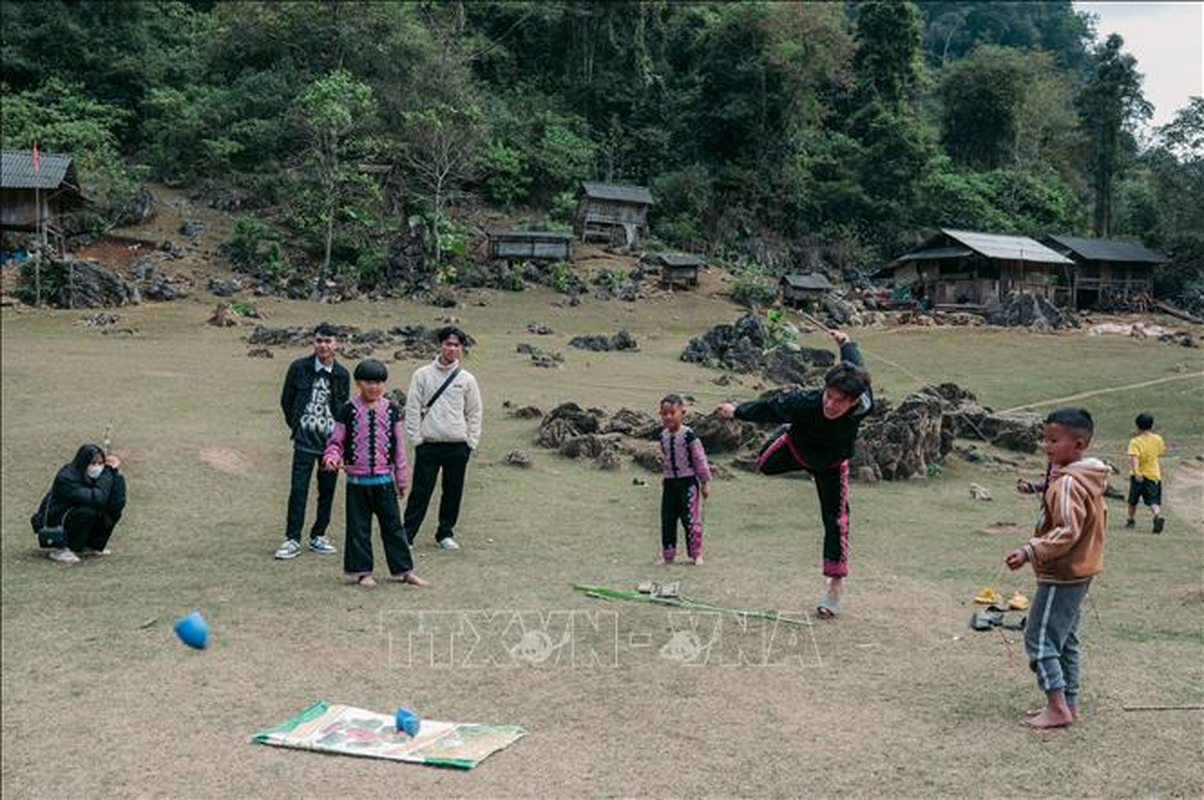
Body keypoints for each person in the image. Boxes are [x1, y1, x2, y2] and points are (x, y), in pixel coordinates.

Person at [716, 329, 872, 619]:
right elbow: (769, 407)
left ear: (853, 402)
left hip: (832, 466)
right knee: (763, 464)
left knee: (836, 521)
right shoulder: (805, 402)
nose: (830, 404)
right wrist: (736, 410)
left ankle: (834, 587)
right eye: (829, 396)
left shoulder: (864, 406)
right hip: (796, 449)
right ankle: (790, 434)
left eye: (839, 401)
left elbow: (857, 365)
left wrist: (847, 343)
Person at [1004, 408, 1109, 729]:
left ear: (1078, 445)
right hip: (1079, 571)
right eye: (1045, 439)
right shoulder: (1084, 477)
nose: (1046, 446)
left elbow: (1067, 530)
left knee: (1038, 637)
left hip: (1062, 573)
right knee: (1065, 639)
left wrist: (1029, 550)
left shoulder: (1067, 484)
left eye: (1054, 440)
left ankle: (1057, 706)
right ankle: (1069, 703)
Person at [323, 360, 428, 589]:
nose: (375, 387)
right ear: (359, 383)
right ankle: (363, 573)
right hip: (357, 482)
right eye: (369, 382)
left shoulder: (392, 410)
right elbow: (335, 442)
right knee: (358, 528)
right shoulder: (347, 410)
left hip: (384, 482)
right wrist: (331, 457)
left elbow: (399, 448)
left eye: (379, 382)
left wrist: (401, 479)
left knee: (394, 528)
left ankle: (404, 571)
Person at [403, 326, 482, 551]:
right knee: (420, 492)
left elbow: (474, 413)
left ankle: (445, 533)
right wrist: (416, 439)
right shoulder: (422, 375)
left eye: (456, 345)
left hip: (458, 445)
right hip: (429, 444)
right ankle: (407, 534)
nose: (452, 348)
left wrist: (471, 442)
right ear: (440, 345)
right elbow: (412, 408)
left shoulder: (467, 380)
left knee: (452, 492)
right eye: (448, 344)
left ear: (461, 349)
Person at [275, 322, 350, 560]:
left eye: (328, 341)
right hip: (304, 441)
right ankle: (292, 539)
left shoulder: (342, 374)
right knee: (298, 490)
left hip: (330, 445)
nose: (323, 345)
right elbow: (286, 400)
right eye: (319, 340)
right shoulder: (299, 368)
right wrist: (298, 426)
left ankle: (319, 535)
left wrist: (338, 443)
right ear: (313, 342)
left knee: (326, 491)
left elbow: (343, 410)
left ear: (336, 344)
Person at [31, 444, 127, 564]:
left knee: (110, 513)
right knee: (86, 511)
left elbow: (117, 504)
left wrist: (116, 474)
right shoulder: (66, 478)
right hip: (55, 521)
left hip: (73, 515)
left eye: (101, 463)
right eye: (93, 463)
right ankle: (63, 549)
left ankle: (91, 546)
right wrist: (107, 472)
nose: (97, 467)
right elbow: (97, 499)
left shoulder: (99, 476)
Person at [658, 394, 712, 565]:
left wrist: (704, 482)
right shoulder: (663, 436)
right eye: (664, 413)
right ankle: (668, 554)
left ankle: (696, 554)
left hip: (688, 483)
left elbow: (699, 458)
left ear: (682, 413)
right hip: (669, 484)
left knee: (690, 520)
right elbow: (665, 458)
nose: (668, 417)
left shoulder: (689, 435)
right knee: (667, 519)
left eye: (672, 413)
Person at [1125, 412, 1166, 533]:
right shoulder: (1158, 439)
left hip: (1138, 475)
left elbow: (1134, 458)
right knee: (1153, 500)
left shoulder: (1135, 441)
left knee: (1133, 500)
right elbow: (1160, 451)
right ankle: (1157, 516)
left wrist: (1137, 472)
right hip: (1154, 474)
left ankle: (1131, 520)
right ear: (1151, 425)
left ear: (1137, 426)